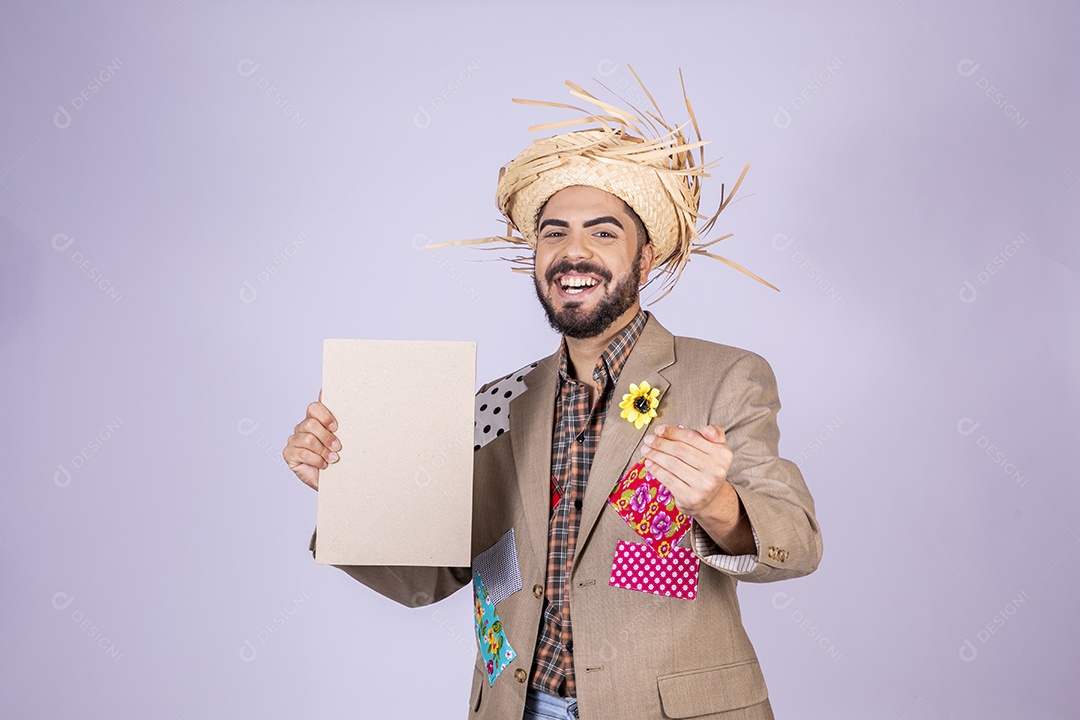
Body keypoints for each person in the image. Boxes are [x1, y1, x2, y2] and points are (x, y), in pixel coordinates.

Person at [283, 71, 822, 720]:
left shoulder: (725, 377)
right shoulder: (498, 402)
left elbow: (797, 541)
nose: (574, 252)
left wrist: (717, 504)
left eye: (602, 232)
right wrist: (348, 487)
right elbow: (432, 575)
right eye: (554, 232)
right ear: (536, 256)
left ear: (645, 259)